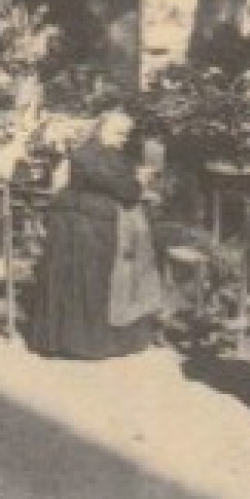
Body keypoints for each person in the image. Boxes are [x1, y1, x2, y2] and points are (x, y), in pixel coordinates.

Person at [31, 108, 163, 359]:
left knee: (95, 283)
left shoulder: (107, 154)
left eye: (126, 134)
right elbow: (125, 189)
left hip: (91, 221)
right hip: (81, 224)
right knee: (87, 283)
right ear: (101, 129)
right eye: (119, 133)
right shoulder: (88, 154)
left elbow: (121, 181)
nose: (123, 139)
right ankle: (81, 343)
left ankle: (86, 339)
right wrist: (139, 182)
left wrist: (135, 179)